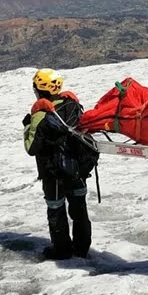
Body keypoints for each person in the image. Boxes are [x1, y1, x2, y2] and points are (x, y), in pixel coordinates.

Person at [22, 68, 92, 260]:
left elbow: (31, 147)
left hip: (53, 173)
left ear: (39, 89)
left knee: (56, 210)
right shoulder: (73, 105)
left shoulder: (41, 114)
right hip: (77, 170)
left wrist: (28, 124)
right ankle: (82, 248)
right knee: (79, 209)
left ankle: (62, 251)